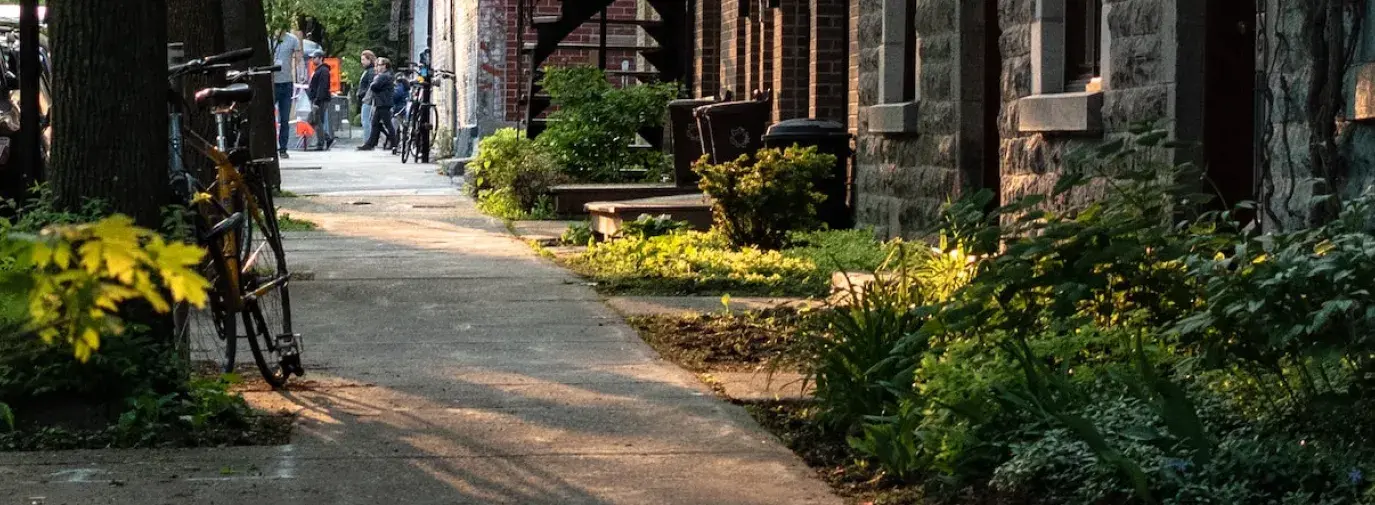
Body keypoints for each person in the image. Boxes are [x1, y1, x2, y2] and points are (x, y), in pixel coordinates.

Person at [270, 25, 301, 159]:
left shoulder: (292, 39)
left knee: (284, 119)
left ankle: (283, 148)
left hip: (287, 83)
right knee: (269, 117)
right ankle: (270, 146)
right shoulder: (269, 39)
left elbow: (298, 58)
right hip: (272, 83)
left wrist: (297, 72)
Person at [357, 57, 396, 151]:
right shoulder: (387, 75)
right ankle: (371, 143)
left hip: (383, 102)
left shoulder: (383, 76)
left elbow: (374, 86)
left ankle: (394, 143)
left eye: (379, 65)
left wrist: (373, 83)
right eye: (377, 65)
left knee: (387, 124)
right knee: (375, 123)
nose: (377, 67)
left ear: (384, 66)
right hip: (381, 102)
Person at [306, 49, 335, 151]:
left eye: (314, 57)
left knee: (317, 120)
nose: (312, 59)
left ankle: (321, 143)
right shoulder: (319, 70)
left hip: (320, 100)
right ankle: (327, 138)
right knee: (313, 120)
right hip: (317, 98)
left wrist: (317, 100)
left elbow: (322, 87)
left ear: (321, 58)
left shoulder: (323, 71)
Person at [357, 50, 376, 141]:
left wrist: (364, 95)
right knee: (366, 120)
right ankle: (368, 140)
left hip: (367, 99)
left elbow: (370, 86)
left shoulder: (371, 71)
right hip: (366, 98)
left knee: (366, 121)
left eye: (364, 59)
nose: (362, 62)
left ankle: (367, 141)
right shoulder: (368, 70)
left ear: (369, 60)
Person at [390, 73, 410, 153]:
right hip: (405, 109)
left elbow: (396, 96)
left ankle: (395, 146)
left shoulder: (399, 86)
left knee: (393, 128)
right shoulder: (406, 86)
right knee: (404, 128)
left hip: (399, 110)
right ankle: (403, 147)